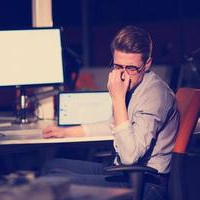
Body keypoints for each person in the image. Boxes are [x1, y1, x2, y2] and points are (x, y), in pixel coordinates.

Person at [41, 26, 179, 199]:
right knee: (51, 166)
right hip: (124, 172)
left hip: (146, 183)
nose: (123, 75)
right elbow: (113, 126)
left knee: (52, 181)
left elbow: (129, 156)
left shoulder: (155, 95)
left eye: (131, 68)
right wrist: (66, 132)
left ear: (147, 64)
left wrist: (118, 99)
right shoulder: (134, 86)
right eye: (117, 66)